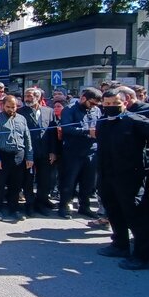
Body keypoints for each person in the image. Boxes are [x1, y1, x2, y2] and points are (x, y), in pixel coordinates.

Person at [95, 89, 149, 270]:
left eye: (115, 104)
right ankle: (120, 245)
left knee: (135, 215)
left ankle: (141, 256)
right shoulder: (103, 122)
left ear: (125, 103)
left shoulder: (135, 120)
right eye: (107, 104)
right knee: (113, 211)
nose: (111, 107)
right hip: (107, 175)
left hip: (130, 177)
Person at [58, 88, 102, 219]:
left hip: (91, 151)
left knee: (88, 182)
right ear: (83, 98)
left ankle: (84, 206)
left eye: (96, 104)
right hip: (73, 152)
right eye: (92, 103)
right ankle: (65, 206)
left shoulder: (97, 110)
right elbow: (67, 128)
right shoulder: (69, 109)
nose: (94, 106)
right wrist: (87, 131)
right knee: (69, 181)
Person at [0, 95, 34, 221]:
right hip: (2, 155)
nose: (11, 109)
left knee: (16, 184)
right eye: (8, 107)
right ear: (3, 106)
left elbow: (27, 138)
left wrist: (30, 156)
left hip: (19, 155)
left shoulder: (22, 119)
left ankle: (14, 209)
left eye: (13, 107)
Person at [18, 87, 58, 216]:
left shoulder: (49, 111)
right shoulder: (20, 112)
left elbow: (52, 133)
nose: (27, 99)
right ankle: (29, 205)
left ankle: (41, 203)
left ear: (38, 98)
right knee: (28, 180)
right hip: (28, 152)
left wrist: (53, 151)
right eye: (26, 96)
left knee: (44, 179)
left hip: (45, 152)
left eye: (30, 96)